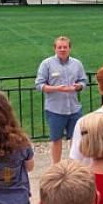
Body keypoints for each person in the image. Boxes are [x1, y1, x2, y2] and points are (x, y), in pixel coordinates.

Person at [35, 36, 87, 166]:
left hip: (74, 109)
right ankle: (56, 167)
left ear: (70, 48)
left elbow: (84, 81)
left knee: (76, 140)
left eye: (65, 47)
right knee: (56, 139)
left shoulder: (77, 64)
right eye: (60, 47)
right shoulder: (46, 64)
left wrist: (78, 87)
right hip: (55, 110)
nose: (62, 49)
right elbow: (39, 85)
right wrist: (57, 89)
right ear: (55, 48)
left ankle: (74, 166)